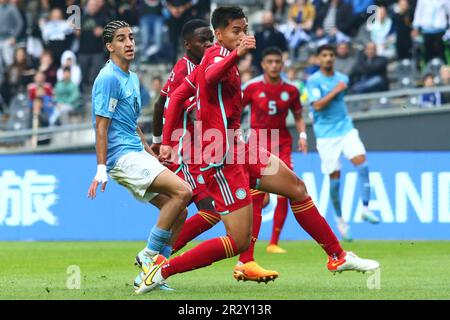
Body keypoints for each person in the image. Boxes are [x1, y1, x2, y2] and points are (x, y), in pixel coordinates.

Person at [137, 6, 380, 294]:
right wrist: (235, 56)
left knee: (297, 188)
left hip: (237, 147)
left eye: (244, 30)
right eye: (235, 31)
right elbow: (213, 75)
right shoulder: (217, 57)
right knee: (236, 239)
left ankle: (337, 257)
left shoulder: (210, 60)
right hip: (219, 157)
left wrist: (165, 140)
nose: (242, 36)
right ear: (219, 34)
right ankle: (160, 270)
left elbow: (177, 96)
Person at [146, 19, 278, 284]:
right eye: (202, 40)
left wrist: (162, 139)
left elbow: (169, 101)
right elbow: (173, 102)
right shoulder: (188, 67)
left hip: (206, 145)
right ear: (187, 44)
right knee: (208, 211)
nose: (207, 44)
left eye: (209, 40)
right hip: (196, 149)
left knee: (235, 202)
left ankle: (161, 260)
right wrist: (165, 142)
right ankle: (155, 259)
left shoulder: (200, 63)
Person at [86, 20, 192, 292]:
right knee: (183, 191)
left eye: (131, 37)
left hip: (136, 153)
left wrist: (151, 153)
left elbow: (130, 125)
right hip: (121, 158)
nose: (129, 43)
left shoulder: (132, 78)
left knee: (180, 210)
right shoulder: (107, 78)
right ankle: (148, 255)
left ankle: (153, 274)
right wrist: (100, 169)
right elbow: (102, 125)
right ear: (110, 46)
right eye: (121, 39)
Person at [306, 44, 381, 242]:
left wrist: (339, 87)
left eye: (331, 55)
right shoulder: (313, 82)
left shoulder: (342, 78)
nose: (329, 58)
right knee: (335, 182)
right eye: (324, 55)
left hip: (346, 129)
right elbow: (318, 106)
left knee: (363, 165)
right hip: (326, 136)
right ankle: (340, 221)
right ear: (318, 59)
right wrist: (336, 90)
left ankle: (365, 208)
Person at [242, 47, 308, 253]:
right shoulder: (251, 87)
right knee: (258, 196)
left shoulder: (291, 90)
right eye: (269, 62)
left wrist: (303, 135)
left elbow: (298, 116)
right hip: (258, 143)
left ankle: (273, 243)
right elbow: (235, 110)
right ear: (262, 64)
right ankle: (248, 245)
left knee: (287, 191)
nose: (274, 65)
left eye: (277, 62)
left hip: (282, 144)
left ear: (282, 64)